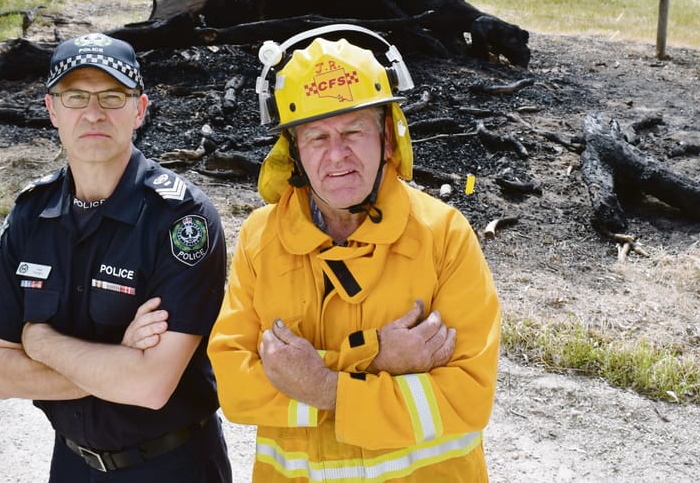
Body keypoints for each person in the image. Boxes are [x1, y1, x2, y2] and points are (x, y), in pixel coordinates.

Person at [207, 24, 501, 481]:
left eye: (353, 131)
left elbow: (467, 398)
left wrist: (324, 385)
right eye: (317, 137)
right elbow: (236, 390)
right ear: (294, 152)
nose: (337, 155)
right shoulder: (260, 239)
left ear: (388, 137)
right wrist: (375, 358)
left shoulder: (443, 235)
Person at [0, 32, 232, 482]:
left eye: (113, 97)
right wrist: (118, 363)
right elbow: (3, 375)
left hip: (172, 465)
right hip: (71, 464)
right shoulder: (30, 214)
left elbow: (149, 386)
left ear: (140, 110)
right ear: (51, 109)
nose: (93, 113)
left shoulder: (183, 219)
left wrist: (40, 343)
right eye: (75, 97)